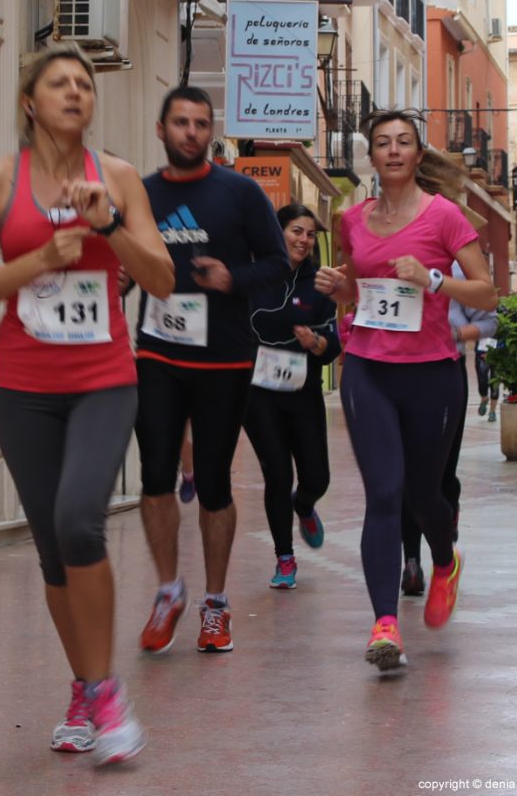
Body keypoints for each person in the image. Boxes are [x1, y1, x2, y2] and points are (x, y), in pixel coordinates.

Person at [0, 44, 174, 765]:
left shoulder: (119, 179)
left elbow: (163, 281)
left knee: (82, 520)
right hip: (22, 386)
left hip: (104, 377)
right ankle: (83, 686)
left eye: (85, 84)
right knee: (53, 547)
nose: (76, 92)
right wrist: (37, 261)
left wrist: (110, 225)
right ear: (28, 101)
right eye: (59, 82)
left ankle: (108, 695)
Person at [315, 109, 497, 671]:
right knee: (384, 493)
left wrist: (433, 279)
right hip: (368, 367)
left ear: (418, 155)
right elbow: (353, 290)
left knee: (424, 494)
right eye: (382, 143)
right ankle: (385, 624)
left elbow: (487, 294)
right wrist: (338, 287)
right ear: (370, 156)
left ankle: (444, 560)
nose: (393, 151)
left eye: (404, 142)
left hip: (431, 372)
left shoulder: (445, 217)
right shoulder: (351, 218)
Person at [134, 85, 289, 654]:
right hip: (156, 350)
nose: (191, 132)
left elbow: (277, 265)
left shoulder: (241, 192)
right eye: (180, 122)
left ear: (210, 132)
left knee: (216, 482)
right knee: (154, 473)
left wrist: (232, 280)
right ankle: (169, 589)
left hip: (224, 355)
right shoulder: (141, 194)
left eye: (201, 123)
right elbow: (123, 263)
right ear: (161, 129)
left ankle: (216, 603)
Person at [243, 204, 340, 589]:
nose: (303, 239)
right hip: (257, 393)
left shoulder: (319, 282)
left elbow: (333, 345)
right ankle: (285, 558)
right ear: (277, 231)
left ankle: (305, 505)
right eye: (296, 231)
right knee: (277, 474)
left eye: (310, 234)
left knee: (317, 476)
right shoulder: (254, 272)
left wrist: (315, 342)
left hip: (303, 390)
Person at [400, 261, 498, 596]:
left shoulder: (456, 264)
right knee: (405, 476)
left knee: (438, 478)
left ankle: (449, 507)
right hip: (395, 374)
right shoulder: (384, 252)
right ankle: (411, 562)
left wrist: (454, 334)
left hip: (444, 374)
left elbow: (489, 321)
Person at [475, 334, 500, 422]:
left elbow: (505, 340)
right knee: (482, 381)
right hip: (481, 356)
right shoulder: (481, 322)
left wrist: (494, 352)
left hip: (497, 357)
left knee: (495, 386)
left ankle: (492, 412)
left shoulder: (501, 323)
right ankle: (484, 398)